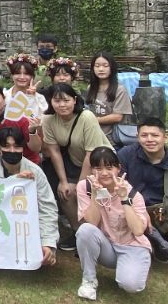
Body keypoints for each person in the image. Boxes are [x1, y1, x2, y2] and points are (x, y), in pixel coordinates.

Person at [0, 126, 58, 274]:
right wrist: (14, 182)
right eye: (6, 146)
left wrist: (48, 243)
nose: (12, 151)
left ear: (23, 148)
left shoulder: (35, 171)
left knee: (40, 256)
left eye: (17, 146)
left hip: (25, 225)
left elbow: (48, 208)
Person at [42, 83, 112, 251]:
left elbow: (91, 154)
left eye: (66, 100)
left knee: (85, 194)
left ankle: (105, 233)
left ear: (74, 100)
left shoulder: (86, 117)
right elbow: (55, 152)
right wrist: (63, 181)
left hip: (101, 164)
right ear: (50, 102)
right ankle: (79, 232)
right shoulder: (48, 120)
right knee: (65, 192)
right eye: (57, 101)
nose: (62, 105)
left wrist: (81, 186)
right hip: (74, 163)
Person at [75, 147, 150, 300]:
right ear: (91, 169)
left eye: (109, 167)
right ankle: (89, 280)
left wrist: (124, 199)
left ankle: (134, 266)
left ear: (118, 169)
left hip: (132, 246)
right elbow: (92, 223)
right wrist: (95, 194)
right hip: (107, 246)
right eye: (98, 168)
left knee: (130, 285)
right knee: (85, 230)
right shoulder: (85, 187)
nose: (103, 173)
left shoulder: (132, 193)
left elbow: (138, 231)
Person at [118, 117, 168, 260]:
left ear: (165, 138)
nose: (149, 139)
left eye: (155, 135)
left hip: (164, 218)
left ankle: (159, 245)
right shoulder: (125, 156)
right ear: (137, 137)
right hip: (131, 214)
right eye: (144, 135)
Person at [0, 83, 42, 178]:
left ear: (4, 98)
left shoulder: (19, 116)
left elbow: (36, 148)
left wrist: (32, 131)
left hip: (25, 165)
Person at [84, 52, 133, 147]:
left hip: (112, 140)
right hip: (92, 137)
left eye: (105, 66)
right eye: (97, 66)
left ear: (112, 68)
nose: (101, 69)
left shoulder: (120, 90)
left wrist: (93, 120)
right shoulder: (90, 88)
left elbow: (117, 117)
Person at [4, 53, 49, 117]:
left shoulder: (39, 98)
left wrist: (31, 97)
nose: (22, 77)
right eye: (17, 73)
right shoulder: (4, 95)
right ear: (11, 76)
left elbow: (40, 119)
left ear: (32, 76)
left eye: (26, 73)